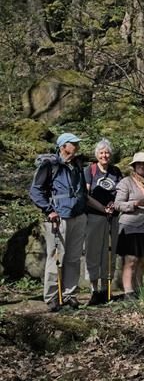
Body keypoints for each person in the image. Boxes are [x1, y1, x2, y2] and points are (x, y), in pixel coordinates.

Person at [29, 132, 88, 312]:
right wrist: (49, 210)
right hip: (58, 217)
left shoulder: (77, 164)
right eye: (73, 144)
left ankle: (70, 294)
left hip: (78, 216)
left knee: (74, 257)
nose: (77, 147)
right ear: (63, 146)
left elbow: (83, 191)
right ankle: (52, 297)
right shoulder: (50, 165)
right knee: (55, 257)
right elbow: (35, 191)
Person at [83, 138, 123, 305]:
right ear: (96, 154)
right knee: (93, 251)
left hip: (112, 218)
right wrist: (102, 208)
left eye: (107, 152)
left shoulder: (116, 171)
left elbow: (121, 191)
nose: (104, 155)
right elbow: (85, 195)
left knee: (109, 252)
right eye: (101, 152)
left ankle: (107, 289)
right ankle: (94, 290)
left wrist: (114, 205)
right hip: (94, 216)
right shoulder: (90, 170)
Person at [114, 152, 144, 300]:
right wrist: (135, 204)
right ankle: (128, 291)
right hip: (130, 226)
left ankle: (140, 290)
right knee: (131, 259)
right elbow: (117, 204)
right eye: (139, 164)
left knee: (142, 260)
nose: (142, 166)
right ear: (134, 166)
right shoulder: (126, 182)